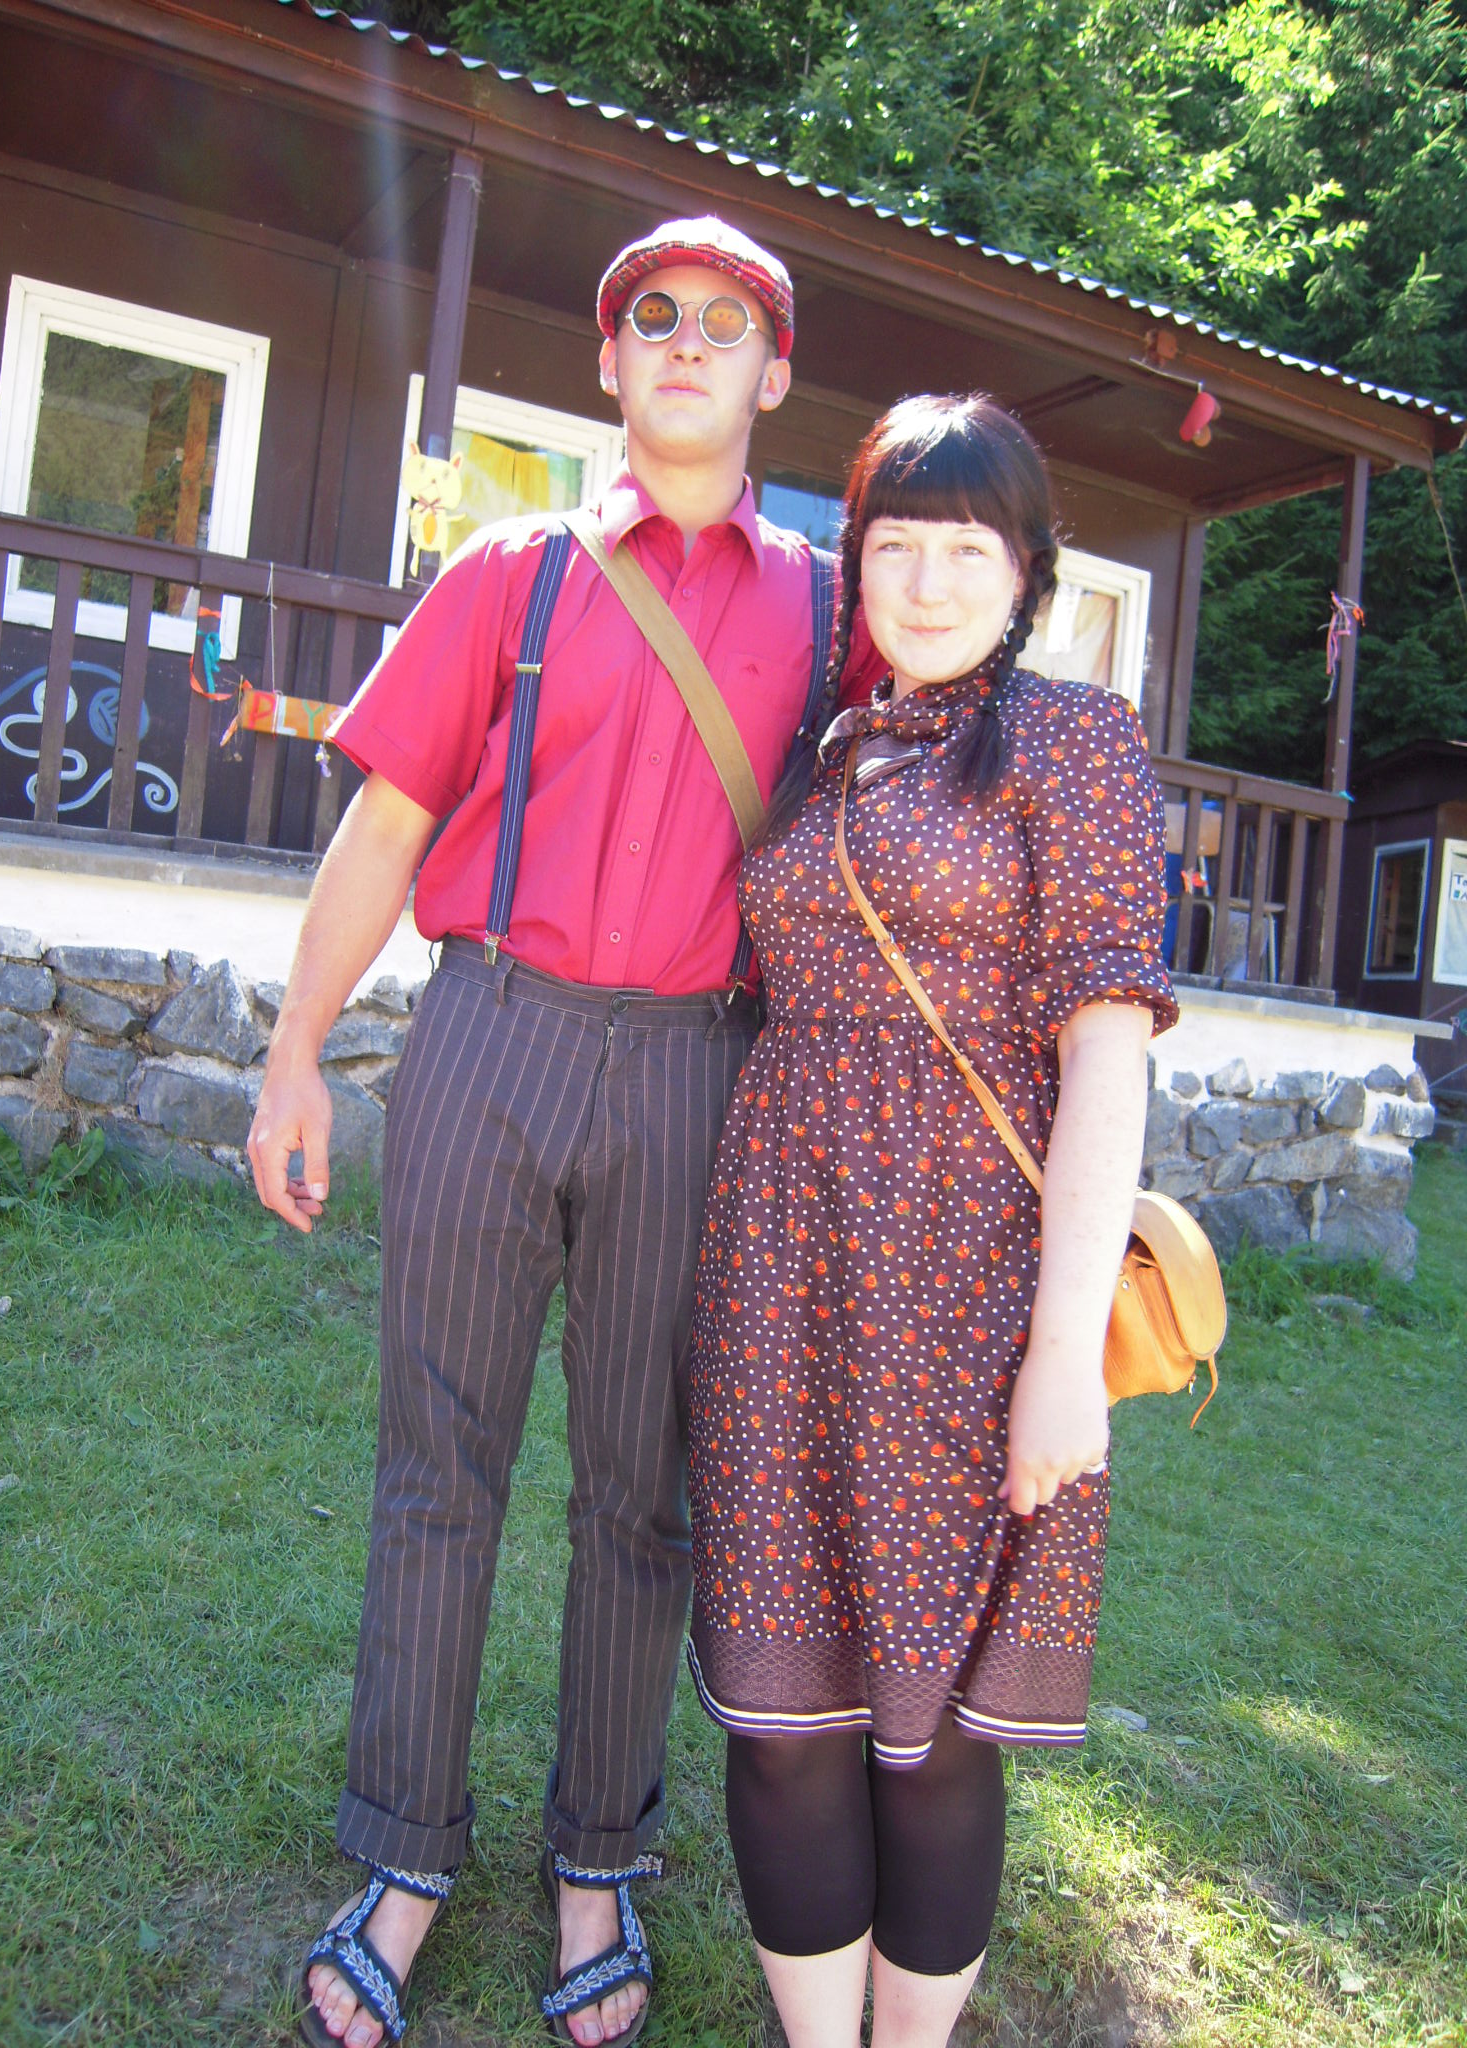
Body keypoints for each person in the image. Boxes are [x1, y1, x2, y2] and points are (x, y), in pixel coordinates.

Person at [246, 215, 875, 2048]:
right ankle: (404, 1855)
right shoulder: (509, 573)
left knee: (641, 1496)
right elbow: (386, 823)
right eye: (651, 316)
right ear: (608, 361)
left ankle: (599, 1857)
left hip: (696, 1072)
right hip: (486, 1042)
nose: (684, 341)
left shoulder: (835, 611)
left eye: (725, 322)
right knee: (435, 1470)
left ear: (773, 374)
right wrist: (296, 1053)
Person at [685, 394, 1179, 2048]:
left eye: (967, 547)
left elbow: (1106, 1056)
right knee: (784, 1719)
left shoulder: (1075, 742)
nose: (927, 579)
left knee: (935, 1729)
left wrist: (1065, 1357)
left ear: (1026, 569)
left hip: (971, 1290)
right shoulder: (830, 751)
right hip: (780, 1271)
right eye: (893, 545)